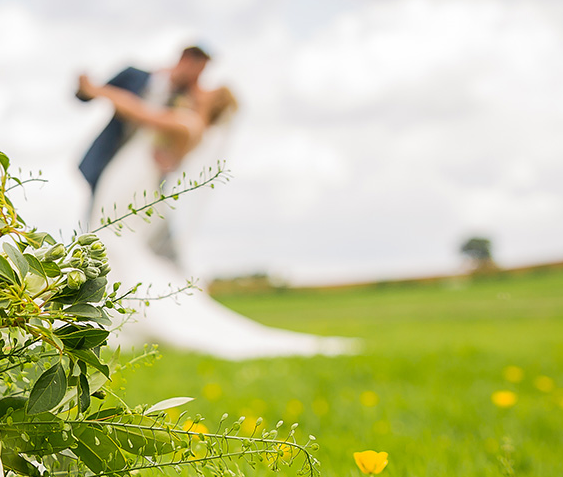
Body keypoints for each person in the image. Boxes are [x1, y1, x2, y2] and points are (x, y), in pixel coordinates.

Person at [75, 48, 359, 360]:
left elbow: (141, 113)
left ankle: (111, 319)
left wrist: (97, 90)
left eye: (208, 91)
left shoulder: (188, 123)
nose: (200, 88)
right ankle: (103, 315)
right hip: (126, 180)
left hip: (131, 185)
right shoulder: (185, 118)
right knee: (109, 242)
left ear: (212, 105)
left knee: (113, 244)